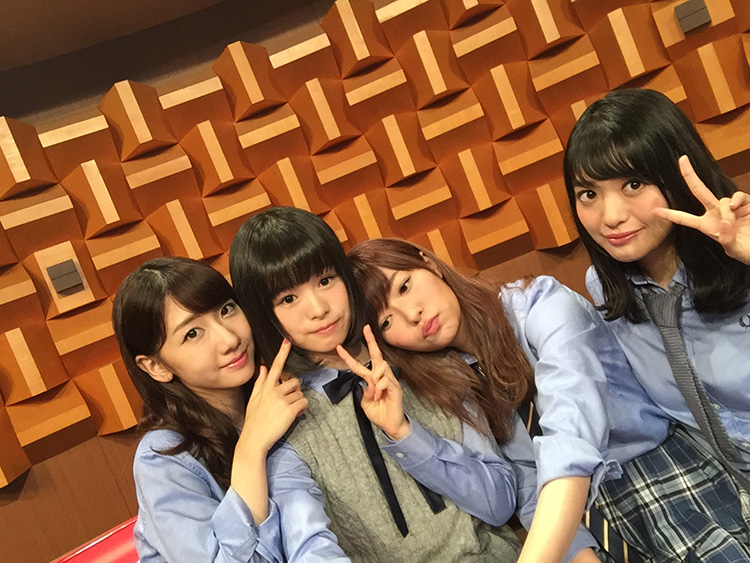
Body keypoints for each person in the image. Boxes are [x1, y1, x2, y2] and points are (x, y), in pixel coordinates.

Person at [229, 206, 588, 561]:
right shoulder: (288, 423)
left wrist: (406, 434)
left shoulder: (425, 358)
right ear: (266, 316)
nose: (318, 308)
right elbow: (310, 547)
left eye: (325, 280)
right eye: (288, 299)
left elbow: (501, 502)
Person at [348, 237, 662, 563]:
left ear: (428, 263)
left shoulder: (540, 305)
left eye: (404, 286)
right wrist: (402, 432)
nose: (412, 314)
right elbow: (509, 496)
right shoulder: (460, 385)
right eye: (387, 322)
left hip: (650, 473)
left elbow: (572, 431)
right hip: (578, 526)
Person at [563, 87, 750, 561]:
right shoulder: (607, 288)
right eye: (589, 194)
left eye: (633, 184)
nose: (611, 217)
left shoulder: (742, 256)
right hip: (729, 492)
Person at [112, 257, 327, 562]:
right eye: (192, 333)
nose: (230, 339)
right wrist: (251, 448)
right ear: (156, 366)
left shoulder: (277, 403)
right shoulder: (162, 458)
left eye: (226, 310)